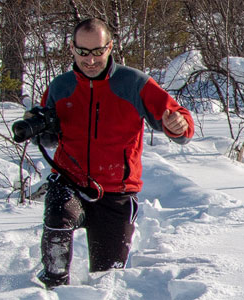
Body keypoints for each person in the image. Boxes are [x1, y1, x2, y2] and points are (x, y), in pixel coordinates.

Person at [34, 17, 195, 287]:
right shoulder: (59, 87)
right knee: (57, 220)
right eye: (83, 52)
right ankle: (52, 286)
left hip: (116, 193)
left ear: (110, 47)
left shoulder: (133, 83)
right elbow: (48, 138)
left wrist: (177, 124)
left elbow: (180, 120)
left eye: (97, 51)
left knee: (106, 279)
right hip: (69, 182)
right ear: (72, 48)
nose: (91, 59)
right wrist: (38, 127)